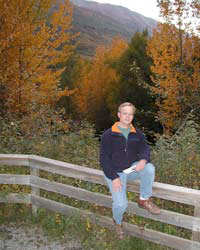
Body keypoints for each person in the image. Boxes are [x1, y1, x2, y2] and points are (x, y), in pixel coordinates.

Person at [100, 102, 160, 240]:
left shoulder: (137, 133)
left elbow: (145, 149)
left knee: (149, 168)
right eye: (124, 113)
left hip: (130, 169)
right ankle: (117, 222)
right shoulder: (108, 135)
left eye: (130, 114)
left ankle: (144, 199)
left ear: (133, 116)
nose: (127, 116)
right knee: (121, 204)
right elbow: (104, 159)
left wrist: (143, 160)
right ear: (119, 115)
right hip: (115, 172)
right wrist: (113, 177)